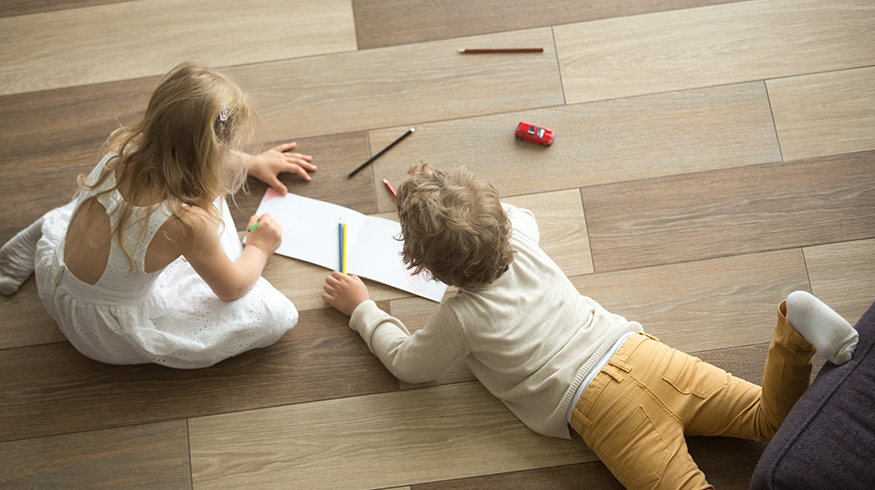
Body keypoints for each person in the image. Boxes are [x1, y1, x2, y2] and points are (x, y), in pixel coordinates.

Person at [321, 164, 860, 489]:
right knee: (769, 420)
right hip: (643, 354)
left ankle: (794, 332)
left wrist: (364, 310)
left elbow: (409, 365)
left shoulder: (461, 315)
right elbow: (498, 215)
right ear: (500, 224)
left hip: (601, 408)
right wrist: (437, 196)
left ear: (427, 269)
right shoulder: (523, 236)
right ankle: (792, 329)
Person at [0, 61, 316, 369]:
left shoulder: (123, 151)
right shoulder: (188, 223)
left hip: (57, 277)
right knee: (274, 314)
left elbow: (188, 150)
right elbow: (232, 288)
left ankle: (32, 244)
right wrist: (259, 247)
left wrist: (251, 162)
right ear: (217, 149)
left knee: (90, 216)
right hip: (98, 330)